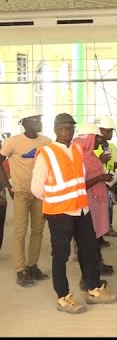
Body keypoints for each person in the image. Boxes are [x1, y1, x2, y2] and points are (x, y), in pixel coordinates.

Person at [31, 113, 117, 313]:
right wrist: (56, 201)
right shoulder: (46, 153)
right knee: (61, 255)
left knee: (89, 249)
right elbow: (36, 189)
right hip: (60, 213)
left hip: (81, 209)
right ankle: (64, 298)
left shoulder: (77, 149)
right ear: (55, 130)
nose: (67, 132)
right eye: (63, 128)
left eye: (70, 128)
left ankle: (94, 289)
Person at [0, 108, 52, 288]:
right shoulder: (12, 142)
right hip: (21, 192)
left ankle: (32, 266)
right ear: (24, 122)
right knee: (20, 232)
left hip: (40, 193)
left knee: (38, 230)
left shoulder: (46, 142)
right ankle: (20, 270)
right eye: (35, 119)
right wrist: (9, 187)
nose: (39, 122)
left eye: (39, 119)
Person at [70, 124, 113, 277]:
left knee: (95, 239)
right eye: (97, 138)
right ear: (89, 139)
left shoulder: (90, 154)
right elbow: (80, 184)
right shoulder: (78, 156)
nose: (99, 142)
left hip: (95, 202)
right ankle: (88, 277)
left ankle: (97, 264)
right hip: (86, 203)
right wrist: (101, 178)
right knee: (87, 241)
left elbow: (92, 172)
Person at [92, 117, 117, 238]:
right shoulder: (93, 147)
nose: (110, 133)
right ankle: (99, 233)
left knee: (109, 205)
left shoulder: (112, 146)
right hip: (97, 181)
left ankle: (107, 228)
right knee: (99, 208)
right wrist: (100, 161)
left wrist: (115, 164)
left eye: (111, 131)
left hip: (109, 180)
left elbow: (116, 162)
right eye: (107, 131)